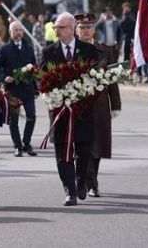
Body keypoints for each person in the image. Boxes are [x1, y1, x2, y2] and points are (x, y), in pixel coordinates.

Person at [41, 12, 103, 206]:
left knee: (84, 151)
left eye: (60, 27)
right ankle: (70, 190)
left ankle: (80, 181)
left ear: (71, 28)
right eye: (55, 28)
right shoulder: (48, 52)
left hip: (83, 111)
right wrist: (51, 96)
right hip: (60, 112)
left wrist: (83, 93)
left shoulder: (88, 50)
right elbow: (42, 79)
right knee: (62, 152)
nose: (56, 31)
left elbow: (96, 78)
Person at [74, 13, 121, 197]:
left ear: (94, 29)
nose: (85, 30)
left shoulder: (105, 50)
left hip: (100, 104)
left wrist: (116, 104)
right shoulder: (72, 50)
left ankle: (90, 181)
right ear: (76, 30)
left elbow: (112, 79)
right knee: (83, 145)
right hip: (78, 103)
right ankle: (90, 182)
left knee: (98, 145)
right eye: (82, 27)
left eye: (88, 27)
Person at [0, 21, 38, 157]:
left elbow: (34, 67)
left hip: (28, 88)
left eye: (20, 30)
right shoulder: (5, 49)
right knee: (14, 120)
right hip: (12, 89)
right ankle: (17, 146)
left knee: (31, 115)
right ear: (10, 32)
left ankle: (26, 143)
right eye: (15, 30)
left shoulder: (29, 48)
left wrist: (36, 87)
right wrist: (4, 77)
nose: (18, 32)